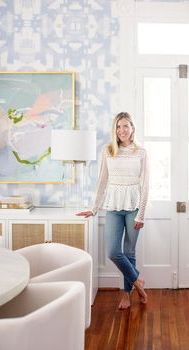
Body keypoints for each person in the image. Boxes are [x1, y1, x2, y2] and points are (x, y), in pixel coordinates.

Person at [76, 112, 149, 309]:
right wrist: (94, 208)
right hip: (114, 206)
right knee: (113, 251)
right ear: (114, 130)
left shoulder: (141, 152)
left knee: (129, 251)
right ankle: (138, 282)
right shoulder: (108, 151)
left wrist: (141, 214)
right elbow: (102, 181)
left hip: (134, 207)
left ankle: (127, 295)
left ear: (132, 128)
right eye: (118, 127)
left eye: (126, 126)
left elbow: (146, 185)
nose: (122, 130)